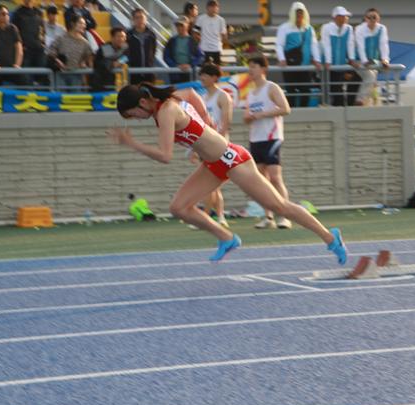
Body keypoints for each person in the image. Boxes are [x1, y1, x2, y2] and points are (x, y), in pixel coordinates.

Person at [109, 82, 347, 264]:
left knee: (279, 206)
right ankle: (226, 237)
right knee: (179, 208)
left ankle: (330, 237)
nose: (137, 120)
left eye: (133, 115)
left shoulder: (166, 111)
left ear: (142, 103)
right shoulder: (168, 101)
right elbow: (192, 92)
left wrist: (131, 144)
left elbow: (165, 156)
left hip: (233, 160)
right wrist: (205, 121)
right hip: (212, 164)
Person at [244, 55, 293, 230]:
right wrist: (249, 118)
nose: (250, 70)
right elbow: (248, 117)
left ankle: (285, 216)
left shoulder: (272, 88)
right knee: (261, 180)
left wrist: (261, 114)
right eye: (249, 66)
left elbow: (285, 109)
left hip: (272, 138)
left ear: (263, 69)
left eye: (254, 66)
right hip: (255, 139)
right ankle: (268, 216)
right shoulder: (250, 93)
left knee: (275, 177)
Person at [195, 62, 231, 228]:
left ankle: (206, 217)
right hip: (204, 143)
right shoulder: (201, 98)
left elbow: (225, 122)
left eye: (205, 75)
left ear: (215, 77)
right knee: (213, 183)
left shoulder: (223, 96)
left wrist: (220, 142)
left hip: (218, 145)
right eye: (201, 74)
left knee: (212, 182)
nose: (202, 78)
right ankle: (221, 216)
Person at [275, 2, 321, 108]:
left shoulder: (309, 29)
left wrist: (316, 60)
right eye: (297, 13)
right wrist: (282, 59)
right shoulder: (284, 28)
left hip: (305, 66)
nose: (299, 16)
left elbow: (314, 45)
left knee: (306, 90)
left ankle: (304, 112)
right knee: (291, 91)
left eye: (301, 13)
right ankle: (290, 112)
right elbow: (279, 45)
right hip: (290, 66)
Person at [320, 6, 360, 106]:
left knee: (355, 80)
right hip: (330, 66)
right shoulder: (326, 28)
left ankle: (349, 105)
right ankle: (336, 108)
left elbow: (350, 44)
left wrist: (352, 59)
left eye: (346, 16)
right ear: (336, 17)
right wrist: (328, 61)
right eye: (342, 16)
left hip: (342, 64)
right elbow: (326, 45)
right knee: (335, 90)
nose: (345, 18)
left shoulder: (348, 28)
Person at [355, 8, 390, 106]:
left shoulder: (382, 28)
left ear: (378, 19)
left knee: (373, 81)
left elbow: (384, 45)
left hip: (373, 61)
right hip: (359, 61)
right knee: (370, 77)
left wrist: (385, 59)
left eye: (374, 17)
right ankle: (360, 100)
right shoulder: (360, 29)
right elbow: (360, 47)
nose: (371, 19)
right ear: (365, 19)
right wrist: (364, 61)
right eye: (368, 17)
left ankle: (372, 103)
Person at [48, 15, 93, 90]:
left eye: (84, 24)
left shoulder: (85, 43)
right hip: (60, 74)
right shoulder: (61, 38)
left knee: (74, 99)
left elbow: (89, 58)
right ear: (72, 24)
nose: (83, 26)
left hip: (76, 74)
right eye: (81, 23)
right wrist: (57, 60)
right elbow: (51, 50)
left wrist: (84, 63)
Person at [0, 5, 24, 86]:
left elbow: (19, 49)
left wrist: (17, 65)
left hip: (12, 68)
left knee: (25, 80)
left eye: (7, 14)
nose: (7, 16)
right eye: (3, 14)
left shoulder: (13, 29)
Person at [163, 16, 203, 84]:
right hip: (175, 73)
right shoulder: (171, 41)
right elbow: (166, 56)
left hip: (190, 73)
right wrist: (176, 66)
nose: (179, 28)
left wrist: (190, 65)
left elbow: (200, 57)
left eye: (181, 25)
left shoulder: (193, 41)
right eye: (177, 25)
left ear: (188, 26)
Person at [12, 0, 46, 72]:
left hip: (38, 48)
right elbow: (14, 31)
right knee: (26, 74)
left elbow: (42, 29)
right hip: (25, 49)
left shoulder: (39, 12)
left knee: (42, 74)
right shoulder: (18, 13)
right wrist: (21, 45)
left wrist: (42, 43)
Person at [91, 27, 128, 92]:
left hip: (112, 81)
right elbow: (98, 63)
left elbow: (128, 57)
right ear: (112, 37)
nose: (121, 39)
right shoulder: (104, 48)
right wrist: (112, 64)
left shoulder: (125, 47)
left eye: (123, 37)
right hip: (100, 81)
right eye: (119, 36)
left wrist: (120, 61)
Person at [126, 8, 157, 85]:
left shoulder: (151, 35)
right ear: (133, 19)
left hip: (149, 72)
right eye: (137, 17)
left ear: (145, 19)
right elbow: (126, 52)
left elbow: (153, 51)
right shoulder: (128, 35)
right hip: (134, 73)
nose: (140, 20)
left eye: (142, 17)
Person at [195, 0, 227, 65]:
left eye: (215, 6)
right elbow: (195, 32)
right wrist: (200, 40)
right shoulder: (201, 18)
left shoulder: (221, 20)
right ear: (207, 8)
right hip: (204, 48)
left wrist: (220, 43)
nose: (213, 8)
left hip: (217, 49)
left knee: (216, 69)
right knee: (204, 68)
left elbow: (224, 35)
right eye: (211, 6)